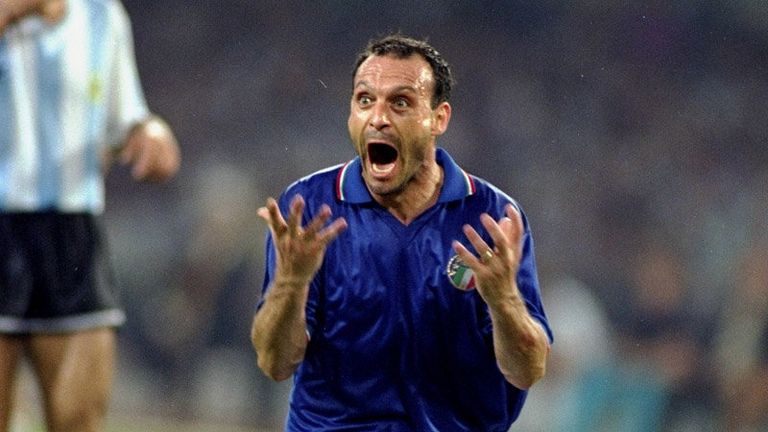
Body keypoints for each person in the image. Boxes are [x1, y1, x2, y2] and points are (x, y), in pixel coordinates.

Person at [251, 34, 552, 431]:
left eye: (400, 103)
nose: (378, 117)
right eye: (365, 100)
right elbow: (274, 363)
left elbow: (527, 371)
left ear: (439, 119)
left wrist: (504, 299)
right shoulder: (310, 208)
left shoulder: (492, 216)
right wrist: (290, 284)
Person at [0, 1, 180, 431]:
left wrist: (149, 132)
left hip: (73, 233)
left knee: (78, 421)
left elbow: (123, 118)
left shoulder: (102, 15)